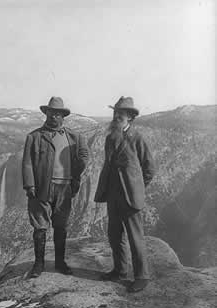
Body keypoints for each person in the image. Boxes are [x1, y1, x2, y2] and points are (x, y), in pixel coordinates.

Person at [22, 96, 89, 278]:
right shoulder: (34, 137)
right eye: (51, 113)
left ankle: (60, 263)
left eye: (58, 114)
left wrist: (78, 172)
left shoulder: (74, 138)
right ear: (46, 114)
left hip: (65, 188)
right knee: (40, 227)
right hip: (42, 188)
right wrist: (30, 185)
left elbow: (83, 158)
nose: (54, 117)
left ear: (63, 117)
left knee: (61, 226)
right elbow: (27, 163)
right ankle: (38, 265)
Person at [94, 96, 156, 292]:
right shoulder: (110, 138)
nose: (116, 116)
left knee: (135, 237)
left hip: (131, 197)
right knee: (114, 235)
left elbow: (149, 169)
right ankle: (120, 270)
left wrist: (137, 188)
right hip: (113, 195)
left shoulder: (138, 138)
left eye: (121, 114)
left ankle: (142, 276)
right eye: (115, 113)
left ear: (130, 117)